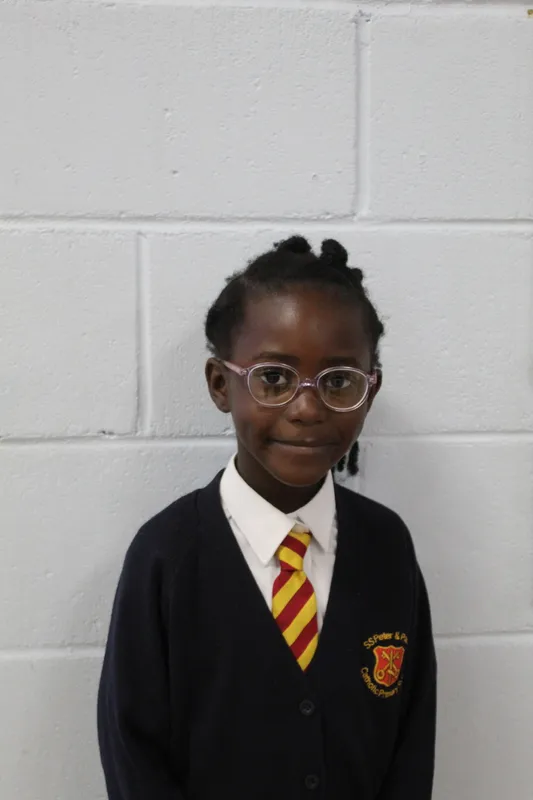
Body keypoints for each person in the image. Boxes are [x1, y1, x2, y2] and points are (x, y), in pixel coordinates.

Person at [97, 236, 437, 799]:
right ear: (220, 384)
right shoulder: (165, 557)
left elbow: (411, 742)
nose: (307, 409)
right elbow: (134, 756)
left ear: (370, 391)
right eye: (274, 378)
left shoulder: (387, 546)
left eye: (339, 381)